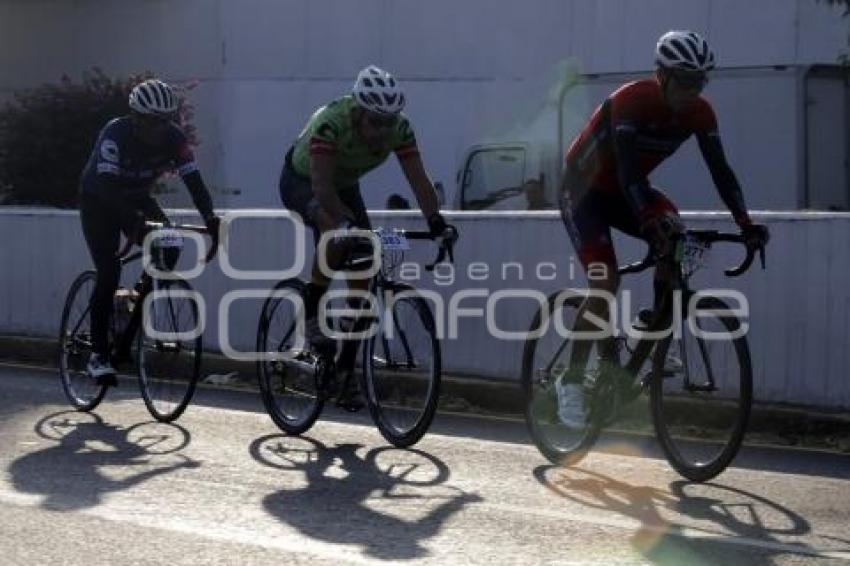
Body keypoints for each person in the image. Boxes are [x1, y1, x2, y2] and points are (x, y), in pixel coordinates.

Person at [556, 31, 769, 427]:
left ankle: (654, 328)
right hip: (583, 193)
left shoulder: (700, 113)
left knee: (679, 238)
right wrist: (649, 220)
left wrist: (747, 223)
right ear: (663, 75)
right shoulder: (631, 101)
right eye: (685, 80)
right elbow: (627, 170)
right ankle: (570, 382)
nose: (693, 90)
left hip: (626, 192)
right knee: (605, 284)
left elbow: (721, 172)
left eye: (700, 81)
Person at [279, 65, 456, 350]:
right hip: (303, 181)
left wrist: (436, 221)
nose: (384, 131)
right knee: (335, 228)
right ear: (358, 112)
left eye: (390, 122)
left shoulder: (400, 129)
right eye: (376, 122)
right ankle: (312, 307)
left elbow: (420, 181)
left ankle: (346, 368)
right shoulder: (332, 123)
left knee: (364, 262)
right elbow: (322, 186)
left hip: (346, 184)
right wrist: (342, 223)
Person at [78, 79, 220, 384]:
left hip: (138, 197)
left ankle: (130, 323)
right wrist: (132, 221)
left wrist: (210, 217)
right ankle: (99, 354)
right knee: (109, 270)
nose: (161, 129)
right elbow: (106, 188)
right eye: (154, 122)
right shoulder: (115, 134)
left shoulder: (174, 139)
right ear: (136, 117)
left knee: (169, 245)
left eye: (167, 121)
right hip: (99, 200)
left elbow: (194, 183)